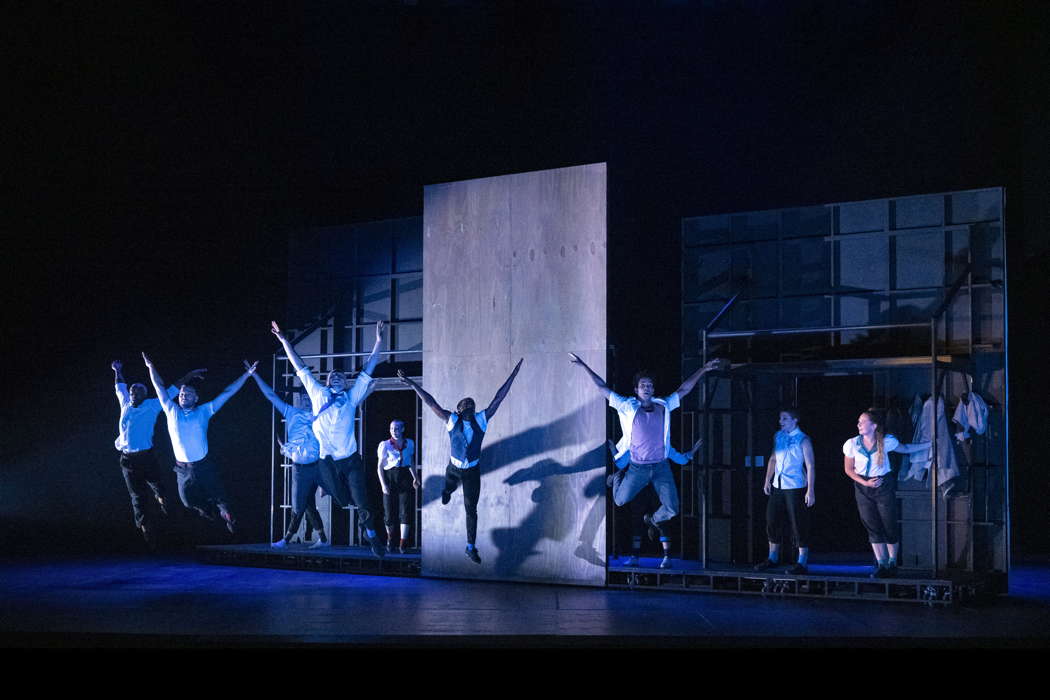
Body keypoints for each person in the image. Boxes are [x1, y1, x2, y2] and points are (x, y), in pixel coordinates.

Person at [570, 353, 723, 568]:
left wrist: (704, 369)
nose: (647, 388)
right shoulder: (627, 405)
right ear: (636, 390)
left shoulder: (663, 405)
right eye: (643, 385)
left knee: (672, 509)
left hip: (661, 467)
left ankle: (653, 520)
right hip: (637, 467)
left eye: (650, 385)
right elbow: (603, 388)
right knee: (620, 501)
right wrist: (585, 366)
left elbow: (684, 390)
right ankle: (617, 480)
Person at [270, 320, 387, 557]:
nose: (336, 377)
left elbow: (368, 368)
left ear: (346, 383)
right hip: (327, 462)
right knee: (343, 501)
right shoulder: (318, 394)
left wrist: (378, 341)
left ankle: (372, 534)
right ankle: (358, 517)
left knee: (361, 500)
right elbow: (300, 366)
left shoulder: (352, 396)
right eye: (332, 375)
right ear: (326, 381)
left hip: (350, 460)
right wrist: (284, 340)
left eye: (341, 376)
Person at [397, 359, 523, 564]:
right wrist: (412, 383)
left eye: (471, 403)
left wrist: (513, 375)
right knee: (448, 488)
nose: (469, 404)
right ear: (458, 409)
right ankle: (446, 492)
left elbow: (499, 398)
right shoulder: (451, 420)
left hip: (472, 471)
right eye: (465, 403)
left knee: (471, 509)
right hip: (454, 469)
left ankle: (470, 547)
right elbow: (430, 402)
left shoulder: (481, 419)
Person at [143, 353, 256, 533]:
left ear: (196, 398)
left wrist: (247, 374)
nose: (183, 395)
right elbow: (159, 386)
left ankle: (226, 515)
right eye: (181, 393)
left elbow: (227, 393)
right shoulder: (171, 410)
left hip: (203, 465)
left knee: (220, 497)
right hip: (182, 469)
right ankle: (206, 510)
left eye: (188, 394)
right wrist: (151, 367)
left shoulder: (204, 411)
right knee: (187, 501)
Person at [112, 359, 206, 546]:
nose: (132, 394)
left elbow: (172, 389)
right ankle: (145, 527)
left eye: (137, 392)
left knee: (158, 486)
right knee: (137, 496)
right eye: (132, 391)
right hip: (128, 459)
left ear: (144, 395)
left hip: (146, 456)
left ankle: (162, 501)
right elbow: (119, 386)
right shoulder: (125, 404)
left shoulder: (153, 405)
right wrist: (117, 370)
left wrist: (190, 375)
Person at [246, 361, 332, 549]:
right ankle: (317, 539)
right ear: (300, 399)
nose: (306, 401)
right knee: (304, 504)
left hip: (318, 466)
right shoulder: (291, 412)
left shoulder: (321, 414)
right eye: (303, 398)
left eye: (309, 397)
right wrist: (255, 376)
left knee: (323, 499)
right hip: (300, 467)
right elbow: (270, 395)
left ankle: (288, 539)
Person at [843, 408, 930, 578]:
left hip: (883, 485)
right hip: (863, 486)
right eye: (859, 422)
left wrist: (929, 444)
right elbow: (848, 469)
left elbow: (905, 448)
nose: (859, 424)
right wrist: (865, 482)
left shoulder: (886, 441)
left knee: (889, 523)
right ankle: (881, 563)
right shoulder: (852, 443)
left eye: (863, 422)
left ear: (874, 425)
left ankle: (892, 562)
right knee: (872, 524)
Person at [607, 438, 702, 567]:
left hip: (656, 485)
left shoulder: (661, 444)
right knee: (637, 518)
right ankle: (635, 557)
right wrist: (614, 458)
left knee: (662, 518)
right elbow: (622, 459)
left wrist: (691, 452)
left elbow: (677, 457)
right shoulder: (636, 443)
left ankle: (666, 557)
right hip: (640, 485)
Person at [754, 408, 815, 574]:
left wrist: (811, 490)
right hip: (777, 485)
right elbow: (773, 458)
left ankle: (802, 561)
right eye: (780, 418)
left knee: (798, 522)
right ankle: (773, 557)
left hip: (795, 485)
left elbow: (810, 465)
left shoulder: (803, 439)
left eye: (785, 418)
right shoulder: (778, 436)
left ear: (795, 420)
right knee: (772, 520)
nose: (781, 421)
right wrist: (767, 479)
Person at [377, 419, 420, 554]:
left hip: (404, 477)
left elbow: (411, 462)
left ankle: (402, 543)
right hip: (390, 477)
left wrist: (415, 478)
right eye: (391, 429)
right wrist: (383, 485)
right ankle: (390, 539)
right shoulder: (385, 445)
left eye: (396, 428)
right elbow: (379, 467)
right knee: (389, 512)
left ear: (402, 429)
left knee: (405, 510)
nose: (393, 431)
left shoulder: (410, 443)